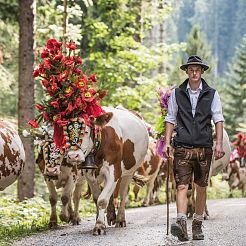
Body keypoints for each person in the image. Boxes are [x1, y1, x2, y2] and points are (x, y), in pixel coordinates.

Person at [164, 55, 225, 241]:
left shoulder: (212, 94)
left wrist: (219, 143)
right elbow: (170, 118)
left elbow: (218, 119)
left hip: (204, 148)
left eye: (197, 69)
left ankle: (197, 225)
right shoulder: (177, 93)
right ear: (186, 71)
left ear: (202, 71)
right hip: (182, 146)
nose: (194, 72)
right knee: (182, 185)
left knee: (201, 187)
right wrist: (167, 142)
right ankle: (181, 224)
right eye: (191, 69)